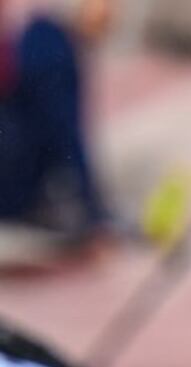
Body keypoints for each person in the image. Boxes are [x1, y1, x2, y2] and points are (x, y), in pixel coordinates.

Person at [0, 0, 121, 249]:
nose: (111, 14)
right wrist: (95, 211)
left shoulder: (34, 31)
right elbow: (66, 133)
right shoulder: (48, 40)